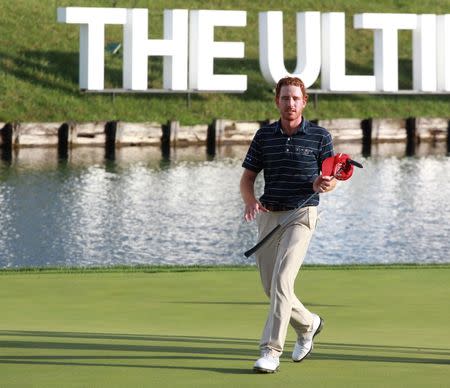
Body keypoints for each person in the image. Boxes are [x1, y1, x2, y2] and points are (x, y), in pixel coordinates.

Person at [240, 76, 336, 373]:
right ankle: (309, 324)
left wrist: (324, 183)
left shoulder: (320, 136)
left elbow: (329, 178)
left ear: (304, 101)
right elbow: (247, 178)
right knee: (271, 288)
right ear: (277, 101)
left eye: (295, 98)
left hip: (302, 214)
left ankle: (271, 351)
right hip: (270, 214)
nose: (290, 103)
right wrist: (249, 200)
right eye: (285, 98)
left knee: (283, 281)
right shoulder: (264, 136)